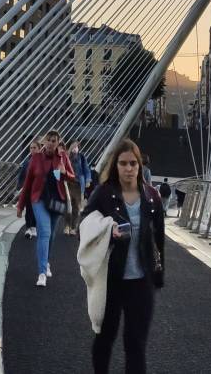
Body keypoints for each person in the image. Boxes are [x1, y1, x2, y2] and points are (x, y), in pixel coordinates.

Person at [79, 139, 165, 374]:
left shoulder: (151, 197)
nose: (129, 169)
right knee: (105, 339)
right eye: (123, 163)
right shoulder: (104, 194)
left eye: (133, 163)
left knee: (136, 345)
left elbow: (159, 238)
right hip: (111, 281)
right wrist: (108, 228)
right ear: (115, 165)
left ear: (140, 166)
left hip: (141, 282)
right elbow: (83, 223)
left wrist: (158, 275)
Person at [17, 129, 74, 287]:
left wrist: (63, 173)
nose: (50, 142)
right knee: (45, 231)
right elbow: (28, 183)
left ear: (57, 143)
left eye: (54, 140)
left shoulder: (62, 158)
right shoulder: (36, 159)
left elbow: (71, 176)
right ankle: (42, 272)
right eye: (48, 140)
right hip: (38, 200)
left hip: (56, 201)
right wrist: (20, 205)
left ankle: (46, 261)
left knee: (51, 235)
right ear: (44, 141)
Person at [65, 140, 93, 235]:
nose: (75, 149)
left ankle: (74, 227)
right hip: (68, 184)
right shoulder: (65, 157)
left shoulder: (81, 157)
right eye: (73, 147)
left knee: (76, 207)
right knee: (68, 207)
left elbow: (86, 169)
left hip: (78, 185)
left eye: (76, 147)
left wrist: (88, 180)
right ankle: (67, 225)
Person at [17, 140, 41, 238]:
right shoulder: (27, 161)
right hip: (28, 189)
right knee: (29, 209)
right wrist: (19, 186)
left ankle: (34, 227)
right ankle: (28, 228)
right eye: (31, 148)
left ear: (39, 149)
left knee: (35, 209)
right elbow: (22, 174)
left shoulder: (43, 161)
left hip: (38, 190)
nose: (32, 150)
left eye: (34, 148)